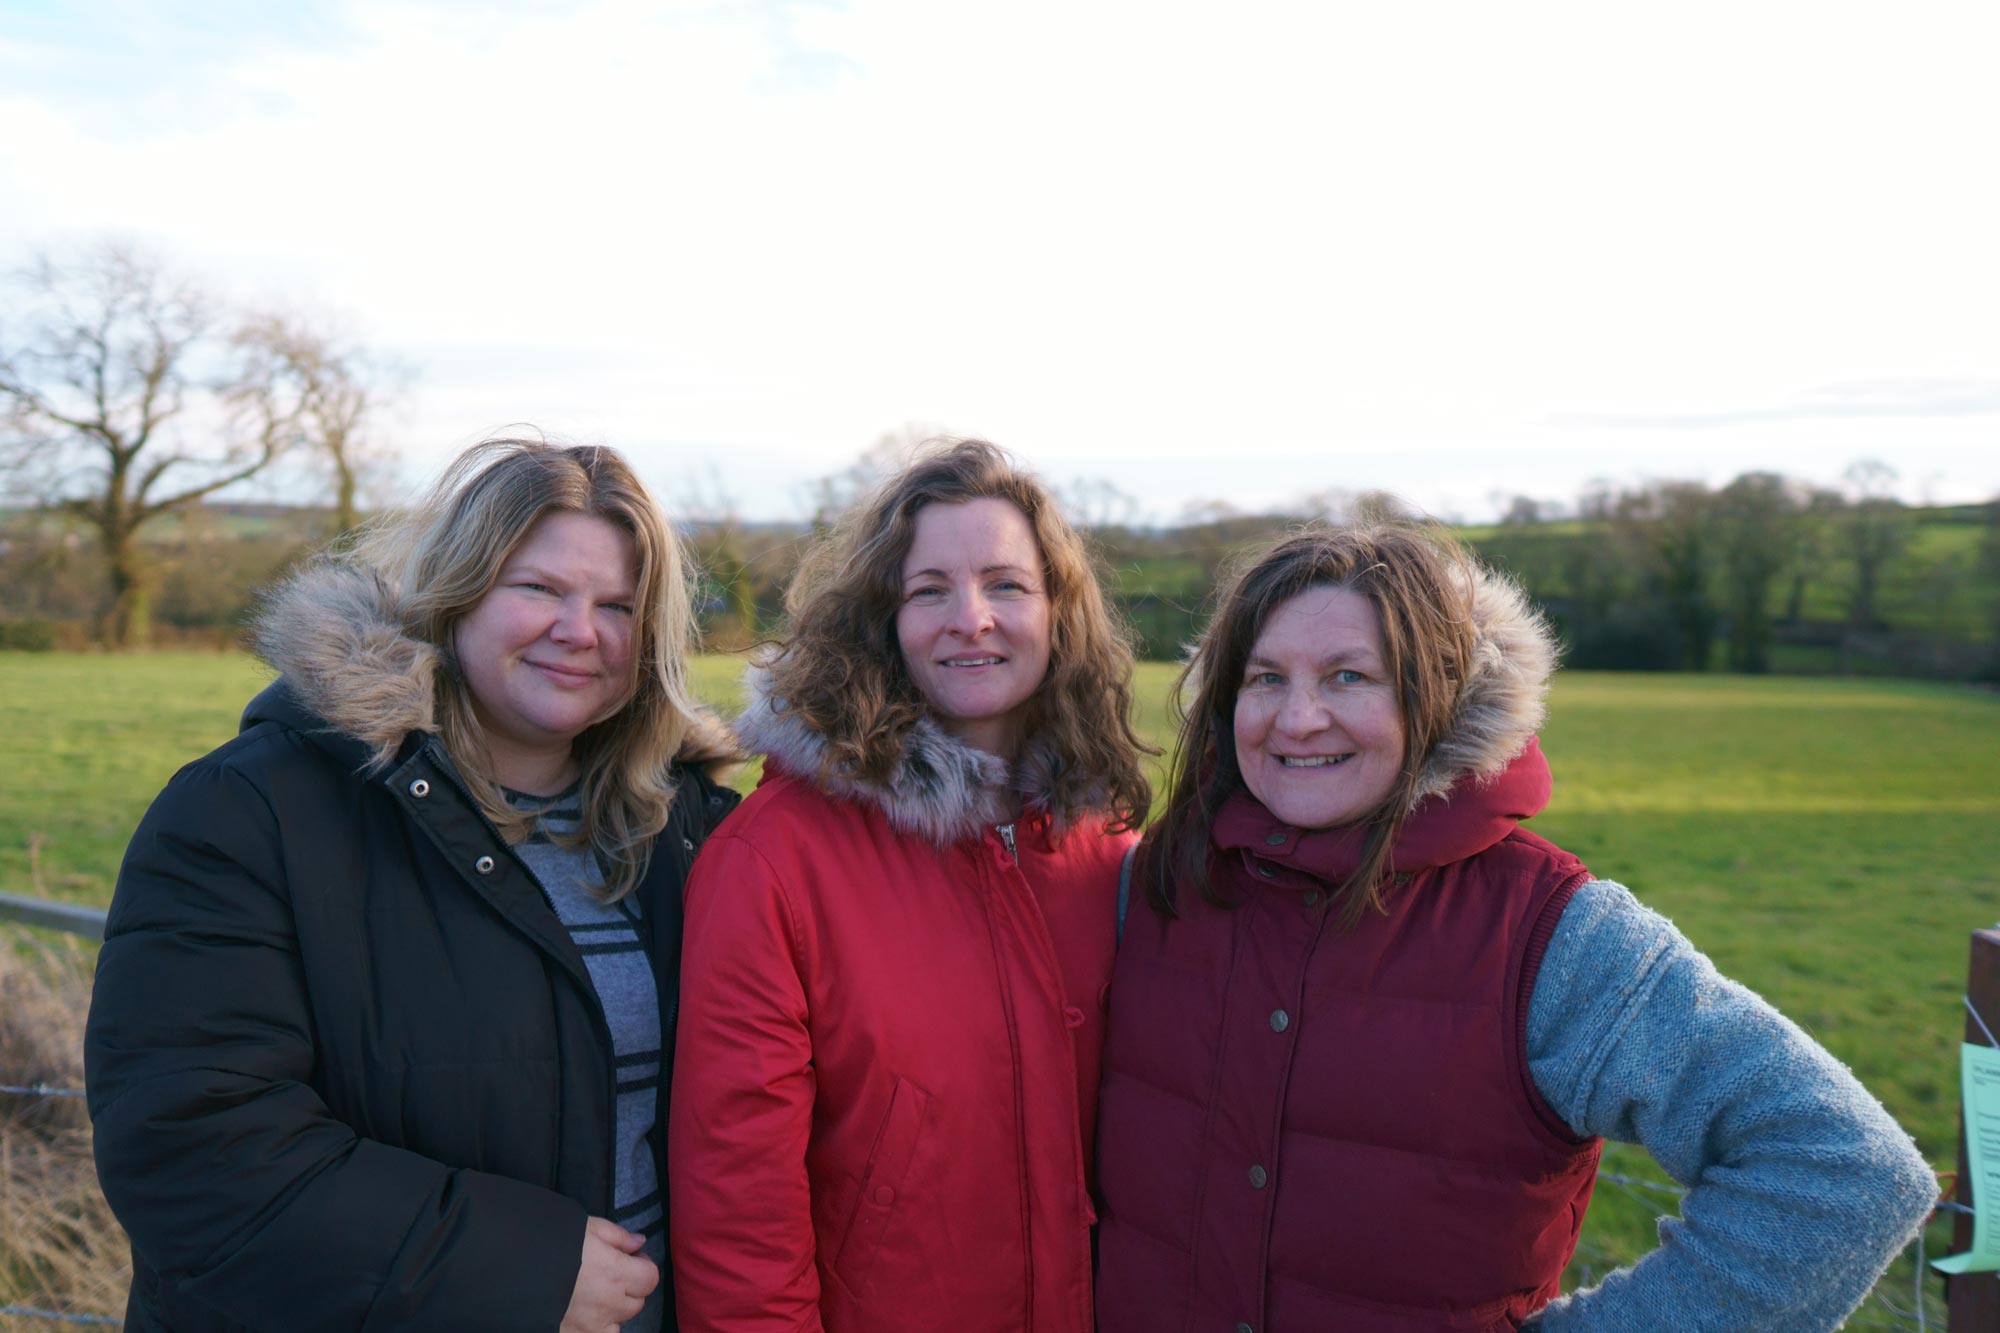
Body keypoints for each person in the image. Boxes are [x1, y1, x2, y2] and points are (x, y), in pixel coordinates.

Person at [1093, 521, 1937, 1333]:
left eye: (1351, 676)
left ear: (1439, 695)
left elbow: (1847, 1169)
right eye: (1265, 676)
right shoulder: (1156, 888)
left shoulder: (1553, 934)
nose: (1299, 716)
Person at [85, 439, 740, 1333]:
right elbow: (191, 1149)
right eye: (539, 589)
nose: (580, 630)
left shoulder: (690, 830)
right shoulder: (250, 812)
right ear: (457, 593)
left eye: (618, 605)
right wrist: (524, 1271)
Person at [668, 439, 1152, 1333]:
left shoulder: (1113, 850)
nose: (970, 617)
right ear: (882, 619)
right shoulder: (772, 860)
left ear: (1059, 611)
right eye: (929, 589)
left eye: (1006, 584)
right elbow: (738, 1207)